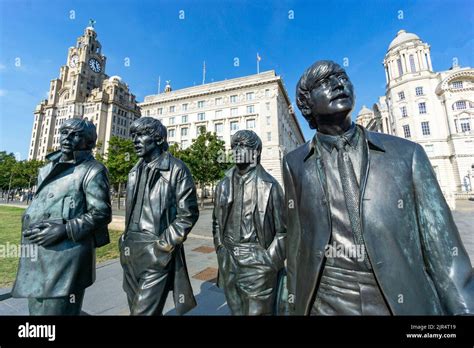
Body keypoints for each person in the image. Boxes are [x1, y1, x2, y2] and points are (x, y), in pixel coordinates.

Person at [283, 60, 474, 315]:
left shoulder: (407, 155)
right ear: (306, 103)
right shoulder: (294, 163)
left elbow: (446, 253)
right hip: (325, 299)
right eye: (324, 82)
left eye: (342, 77)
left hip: (396, 298)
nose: (338, 84)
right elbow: (296, 244)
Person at [12, 118, 111, 315]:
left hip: (66, 257)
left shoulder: (93, 170)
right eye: (64, 132)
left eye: (76, 135)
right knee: (37, 310)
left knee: (57, 311)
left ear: (89, 143)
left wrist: (66, 229)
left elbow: (101, 212)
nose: (67, 138)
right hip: (38, 253)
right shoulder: (47, 168)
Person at [119, 117, 199, 315]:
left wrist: (163, 246)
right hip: (130, 250)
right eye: (134, 136)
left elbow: (187, 214)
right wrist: (124, 242)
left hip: (155, 249)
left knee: (142, 312)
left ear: (159, 139)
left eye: (142, 135)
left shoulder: (177, 169)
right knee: (135, 307)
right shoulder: (133, 171)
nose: (135, 140)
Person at [213, 130, 286, 315]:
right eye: (234, 146)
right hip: (229, 258)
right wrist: (220, 248)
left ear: (256, 152)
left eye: (242, 145)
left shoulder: (271, 186)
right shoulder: (223, 184)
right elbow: (216, 221)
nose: (236, 150)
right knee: (236, 310)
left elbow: (284, 231)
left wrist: (268, 262)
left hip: (257, 260)